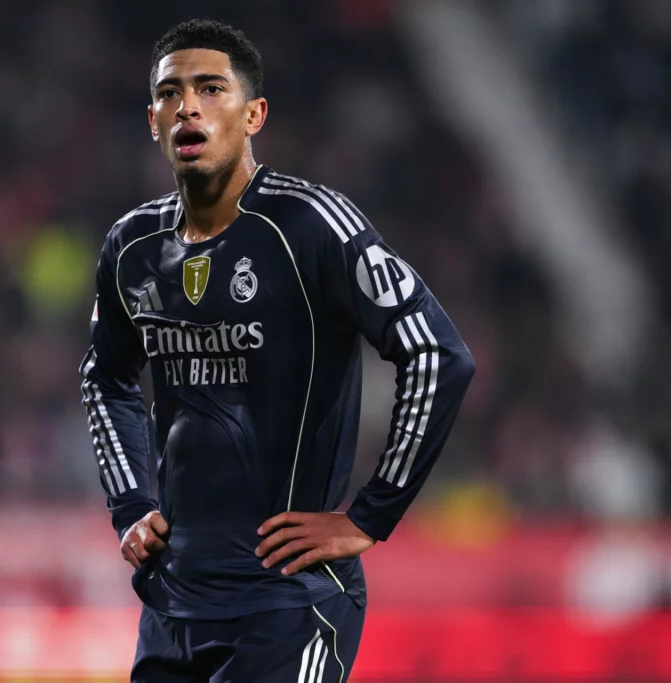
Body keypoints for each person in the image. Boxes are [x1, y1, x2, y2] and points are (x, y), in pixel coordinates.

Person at [79, 18, 475, 683]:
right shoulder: (132, 245)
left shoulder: (311, 224)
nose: (188, 107)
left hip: (290, 601)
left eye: (211, 89)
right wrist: (130, 504)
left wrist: (370, 515)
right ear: (153, 120)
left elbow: (437, 354)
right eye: (171, 93)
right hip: (175, 602)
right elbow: (106, 377)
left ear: (254, 114)